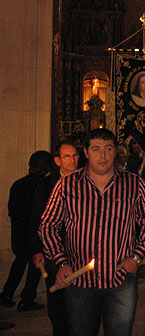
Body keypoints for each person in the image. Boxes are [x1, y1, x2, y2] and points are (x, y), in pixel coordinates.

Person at [39, 128, 145, 336]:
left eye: (108, 148)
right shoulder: (67, 185)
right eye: (96, 149)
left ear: (115, 151)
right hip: (80, 281)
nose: (102, 155)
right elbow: (48, 226)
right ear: (86, 152)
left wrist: (137, 257)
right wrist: (61, 262)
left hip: (120, 279)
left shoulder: (133, 184)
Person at [31, 141, 78, 336]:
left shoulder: (84, 180)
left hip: (77, 249)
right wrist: (37, 249)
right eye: (67, 156)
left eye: (75, 155)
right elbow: (37, 218)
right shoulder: (46, 185)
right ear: (57, 161)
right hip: (53, 250)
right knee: (57, 301)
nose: (73, 160)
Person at [0, 151, 52, 312]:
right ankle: (27, 298)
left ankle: (7, 294)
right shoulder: (43, 185)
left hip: (19, 232)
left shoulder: (17, 184)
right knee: (35, 267)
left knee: (19, 263)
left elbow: (12, 211)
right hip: (34, 233)